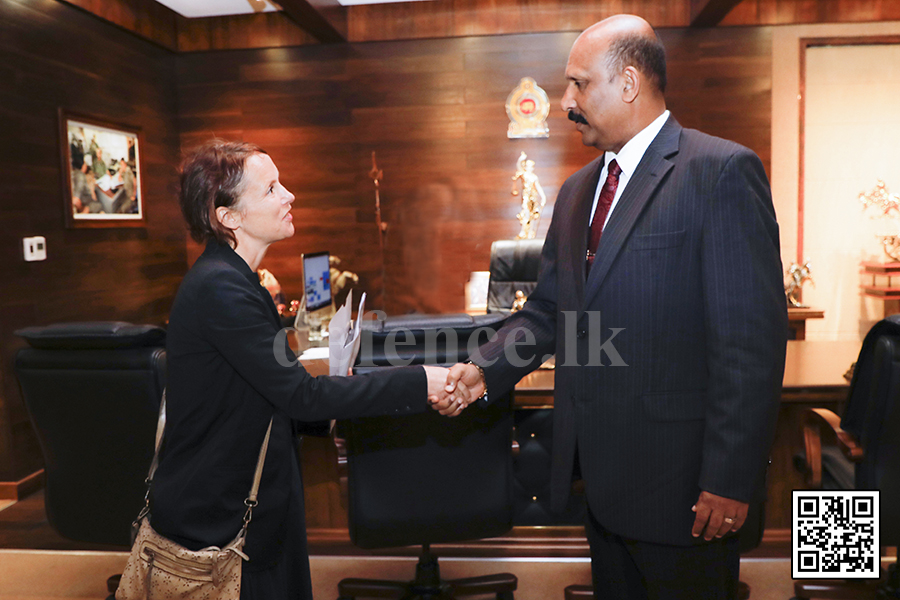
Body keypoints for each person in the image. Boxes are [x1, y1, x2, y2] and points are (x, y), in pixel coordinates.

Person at [441, 15, 788, 600]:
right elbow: (549, 310)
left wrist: (729, 479)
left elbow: (749, 343)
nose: (565, 102)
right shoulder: (579, 192)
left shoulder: (719, 172)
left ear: (628, 83)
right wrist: (484, 368)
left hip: (686, 488)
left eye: (579, 84)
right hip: (599, 485)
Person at [149, 140, 463, 600]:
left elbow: (273, 393)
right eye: (272, 188)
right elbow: (302, 396)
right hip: (221, 511)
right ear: (228, 217)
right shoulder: (222, 289)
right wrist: (422, 379)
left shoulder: (236, 280)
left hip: (249, 501)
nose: (289, 195)